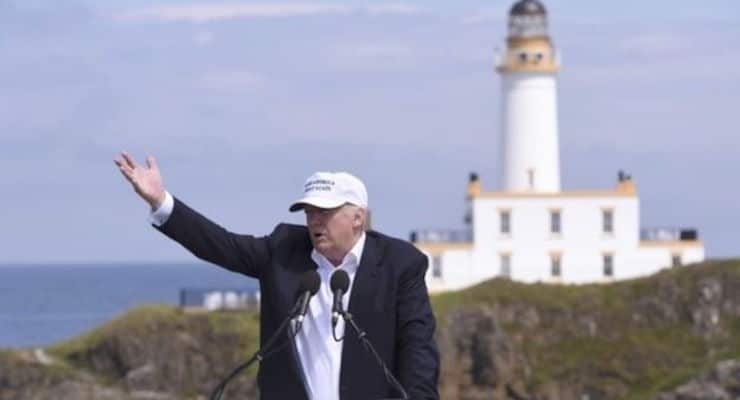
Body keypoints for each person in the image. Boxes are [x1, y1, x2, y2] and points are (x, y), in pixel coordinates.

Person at [114, 152, 440, 400]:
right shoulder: (283, 250)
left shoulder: (400, 264)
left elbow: (418, 351)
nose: (314, 221)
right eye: (309, 212)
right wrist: (161, 201)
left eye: (324, 212)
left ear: (358, 217)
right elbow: (220, 245)